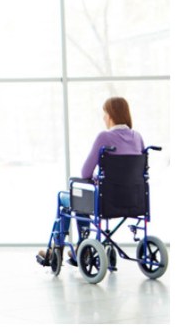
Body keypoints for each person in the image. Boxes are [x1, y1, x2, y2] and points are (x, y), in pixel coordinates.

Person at [37, 96, 146, 265]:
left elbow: (85, 172)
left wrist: (97, 178)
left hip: (106, 201)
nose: (103, 118)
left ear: (110, 115)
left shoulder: (104, 137)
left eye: (104, 114)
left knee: (67, 196)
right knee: (81, 197)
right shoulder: (138, 137)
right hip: (134, 200)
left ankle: (59, 249)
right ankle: (82, 247)